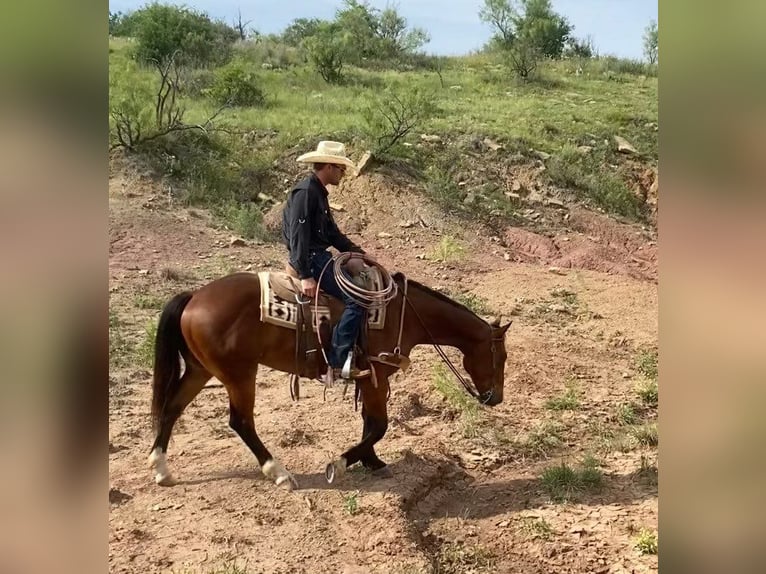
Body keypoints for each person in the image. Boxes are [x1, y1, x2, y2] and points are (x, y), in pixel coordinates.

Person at [281, 141, 369, 382]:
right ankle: (338, 362)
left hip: (318, 257)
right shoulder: (306, 193)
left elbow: (331, 234)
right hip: (312, 260)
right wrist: (306, 274)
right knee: (358, 299)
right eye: (340, 169)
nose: (343, 174)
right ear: (329, 167)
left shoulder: (317, 193)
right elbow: (299, 236)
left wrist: (358, 252)